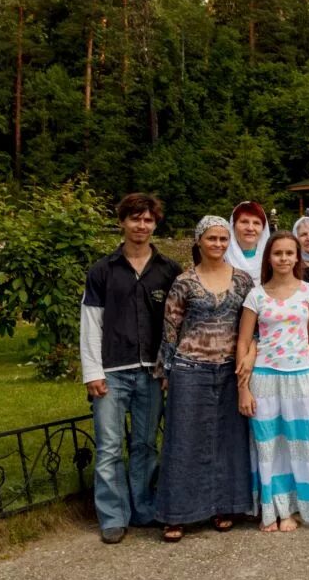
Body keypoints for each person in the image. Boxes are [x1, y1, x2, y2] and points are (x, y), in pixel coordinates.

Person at [79, 194, 181, 544]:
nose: (141, 226)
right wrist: (92, 371)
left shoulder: (168, 270)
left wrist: (169, 368)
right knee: (108, 446)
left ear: (155, 224)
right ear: (122, 221)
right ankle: (112, 515)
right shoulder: (103, 270)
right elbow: (91, 322)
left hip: (152, 372)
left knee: (144, 444)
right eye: (135, 219)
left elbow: (176, 323)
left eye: (148, 220)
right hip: (112, 369)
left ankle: (143, 507)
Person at [154, 216, 255, 542]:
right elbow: (170, 329)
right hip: (190, 368)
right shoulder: (184, 281)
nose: (218, 245)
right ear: (199, 241)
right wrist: (165, 371)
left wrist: (250, 358)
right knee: (184, 441)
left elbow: (253, 326)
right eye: (212, 239)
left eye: (224, 239)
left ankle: (225, 505)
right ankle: (177, 513)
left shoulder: (242, 281)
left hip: (230, 369)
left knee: (229, 440)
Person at [236, 231, 309, 532]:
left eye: (290, 253)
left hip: (300, 376)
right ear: (269, 258)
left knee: (298, 445)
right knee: (268, 445)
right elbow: (244, 341)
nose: (284, 259)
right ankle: (270, 508)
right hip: (264, 377)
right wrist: (243, 388)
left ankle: (291, 508)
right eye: (278, 254)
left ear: (297, 257)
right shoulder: (256, 295)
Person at [225, 201, 271, 286]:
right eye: (244, 222)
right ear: (233, 226)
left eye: (256, 223)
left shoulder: (271, 261)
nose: (250, 228)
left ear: (263, 229)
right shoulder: (221, 259)